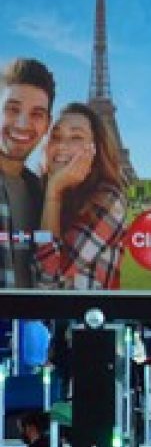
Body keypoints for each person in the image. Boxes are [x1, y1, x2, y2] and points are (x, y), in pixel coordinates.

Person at [35, 102, 127, 290]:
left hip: (86, 317)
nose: (62, 145)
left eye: (76, 137)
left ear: (96, 148)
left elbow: (50, 281)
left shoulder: (109, 199)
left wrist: (54, 192)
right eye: (55, 136)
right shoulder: (34, 190)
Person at [0, 58, 55, 288]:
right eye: (13, 110)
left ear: (47, 125)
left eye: (37, 114)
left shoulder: (38, 192)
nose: (23, 124)